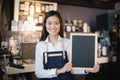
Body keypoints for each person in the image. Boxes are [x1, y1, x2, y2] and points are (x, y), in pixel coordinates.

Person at [35, 10, 100, 80]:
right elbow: (39, 73)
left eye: (56, 23)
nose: (53, 26)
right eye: (49, 23)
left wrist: (88, 69)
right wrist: (60, 70)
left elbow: (73, 68)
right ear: (45, 25)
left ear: (60, 25)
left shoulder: (68, 43)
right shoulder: (40, 45)